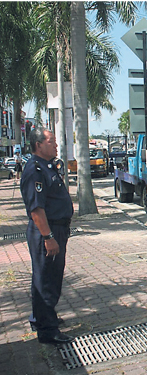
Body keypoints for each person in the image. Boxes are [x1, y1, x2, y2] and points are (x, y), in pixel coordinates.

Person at [20, 127, 74, 345]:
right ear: (38, 145)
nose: (55, 145)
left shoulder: (47, 166)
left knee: (44, 278)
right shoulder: (35, 170)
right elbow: (36, 210)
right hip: (47, 231)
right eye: (51, 141)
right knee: (47, 280)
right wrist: (48, 237)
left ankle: (41, 318)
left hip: (55, 229)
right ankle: (47, 331)